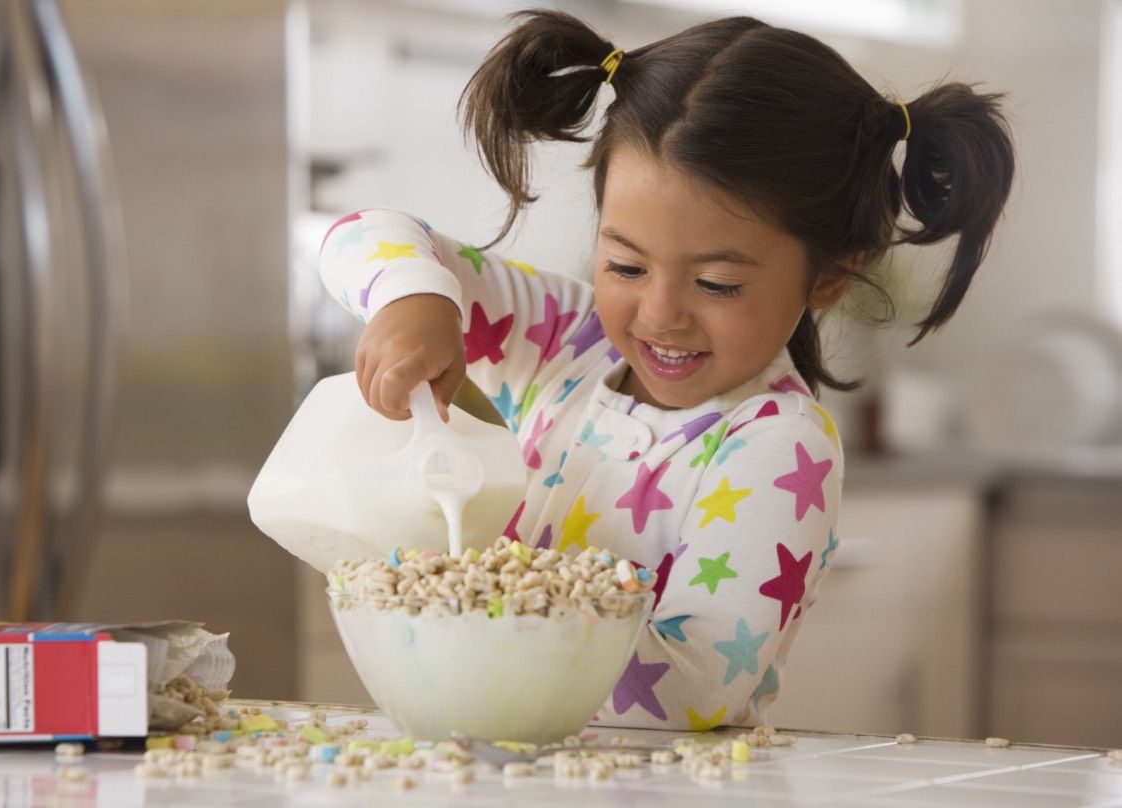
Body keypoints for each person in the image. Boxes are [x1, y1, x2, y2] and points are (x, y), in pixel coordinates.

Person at [317, 9, 1014, 729]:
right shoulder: (565, 340)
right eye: (625, 263)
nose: (661, 315)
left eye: (715, 283)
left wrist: (472, 614)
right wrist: (414, 301)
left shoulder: (777, 445)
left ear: (831, 277)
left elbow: (685, 693)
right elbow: (362, 233)